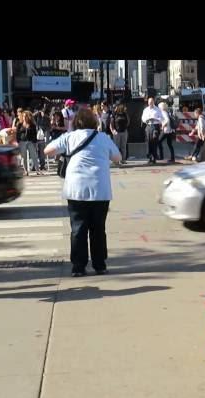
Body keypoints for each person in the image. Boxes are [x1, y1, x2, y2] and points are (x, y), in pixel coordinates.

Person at [43, 108, 122, 277]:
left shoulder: (70, 137)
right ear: (94, 122)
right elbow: (117, 157)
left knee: (78, 228)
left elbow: (48, 150)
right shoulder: (103, 138)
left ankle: (78, 266)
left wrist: (65, 152)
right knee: (98, 228)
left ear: (76, 122)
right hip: (99, 189)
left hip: (76, 189)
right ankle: (99, 264)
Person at [17, 110, 41, 176]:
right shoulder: (20, 124)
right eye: (24, 116)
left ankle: (38, 170)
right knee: (23, 157)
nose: (24, 117)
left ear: (29, 117)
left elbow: (34, 134)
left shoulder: (32, 125)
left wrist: (35, 142)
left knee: (34, 156)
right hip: (22, 142)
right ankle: (25, 171)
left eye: (26, 116)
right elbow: (17, 134)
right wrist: (18, 141)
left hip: (30, 142)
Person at [141, 96, 163, 164]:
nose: (150, 103)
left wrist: (155, 119)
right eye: (149, 102)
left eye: (151, 102)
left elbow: (161, 118)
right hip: (148, 126)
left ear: (153, 102)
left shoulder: (157, 109)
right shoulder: (145, 110)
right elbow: (143, 118)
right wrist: (147, 119)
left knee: (154, 142)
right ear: (148, 103)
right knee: (148, 142)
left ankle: (154, 157)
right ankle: (150, 157)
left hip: (155, 126)